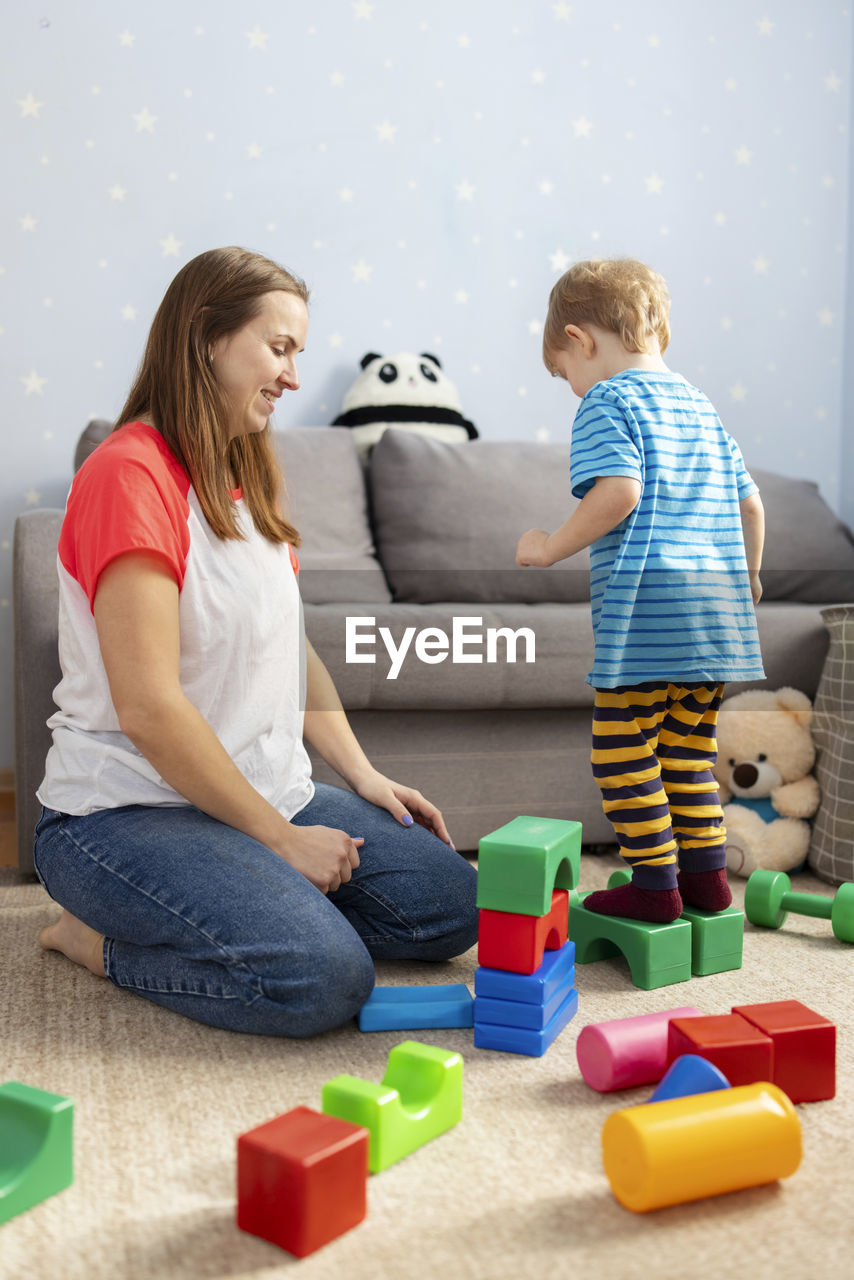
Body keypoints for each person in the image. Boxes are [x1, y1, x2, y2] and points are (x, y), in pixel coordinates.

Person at [34, 246, 478, 1035]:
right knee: (319, 977)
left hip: (266, 792)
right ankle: (94, 942)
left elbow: (288, 649)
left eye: (298, 353)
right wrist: (281, 843)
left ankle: (246, 899)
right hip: (128, 813)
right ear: (207, 337)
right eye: (279, 349)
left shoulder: (248, 474)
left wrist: (364, 775)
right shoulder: (128, 475)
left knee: (451, 908)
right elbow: (147, 707)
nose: (294, 377)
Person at [516, 258, 765, 923]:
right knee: (688, 754)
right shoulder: (701, 406)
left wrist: (548, 546)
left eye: (562, 371)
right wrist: (751, 577)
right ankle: (707, 880)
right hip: (718, 622)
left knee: (624, 755)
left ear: (582, 340)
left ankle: (655, 886)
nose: (570, 387)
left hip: (650, 620)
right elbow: (751, 506)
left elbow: (619, 492)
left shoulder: (610, 399)